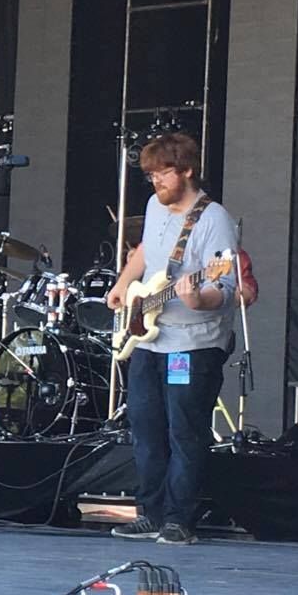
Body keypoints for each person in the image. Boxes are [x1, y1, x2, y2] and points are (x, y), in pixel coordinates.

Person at [106, 133, 238, 545]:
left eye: (163, 174)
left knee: (185, 432)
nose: (156, 182)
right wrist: (122, 283)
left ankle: (179, 520)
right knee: (146, 430)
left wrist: (198, 298)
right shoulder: (154, 205)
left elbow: (225, 285)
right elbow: (147, 251)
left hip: (193, 344)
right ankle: (151, 513)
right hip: (149, 339)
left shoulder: (215, 220)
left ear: (187, 171)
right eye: (151, 175)